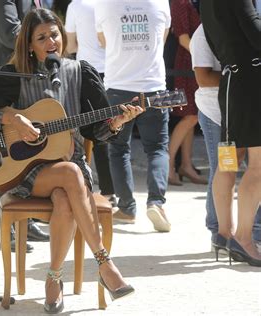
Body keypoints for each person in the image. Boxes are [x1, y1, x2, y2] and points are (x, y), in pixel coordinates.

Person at [0, 8, 140, 313]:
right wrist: (12, 117)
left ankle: (53, 280)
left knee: (65, 195)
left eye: (54, 34)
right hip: (30, 172)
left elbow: (98, 130)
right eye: (41, 37)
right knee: (68, 175)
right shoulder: (14, 74)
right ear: (29, 44)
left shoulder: (80, 72)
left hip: (73, 166)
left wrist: (117, 122)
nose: (51, 41)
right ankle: (105, 265)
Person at [0, 0, 50, 249]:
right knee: (2, 154)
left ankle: (23, 221)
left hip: (25, 76)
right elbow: (11, 34)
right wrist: (47, 38)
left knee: (25, 150)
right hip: (5, 79)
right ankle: (2, 227)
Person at [95, 0, 172, 232]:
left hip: (119, 85)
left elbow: (102, 41)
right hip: (154, 85)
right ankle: (156, 202)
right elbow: (163, 38)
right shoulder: (160, 2)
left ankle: (127, 207)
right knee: (157, 147)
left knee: (118, 148)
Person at [189, 20, 261, 257]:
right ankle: (219, 232)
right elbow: (202, 78)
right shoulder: (203, 33)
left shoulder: (238, 28)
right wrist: (244, 78)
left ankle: (231, 235)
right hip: (215, 115)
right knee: (223, 170)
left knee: (234, 169)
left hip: (240, 115)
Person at [65, 0, 117, 207]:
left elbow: (70, 45)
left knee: (86, 130)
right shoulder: (112, 4)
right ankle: (110, 191)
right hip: (111, 70)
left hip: (85, 72)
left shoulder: (76, 6)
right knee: (108, 128)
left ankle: (84, 187)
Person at [167, 0, 206, 186]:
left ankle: (186, 165)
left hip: (191, 64)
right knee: (191, 116)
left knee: (192, 116)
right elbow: (183, 39)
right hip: (186, 65)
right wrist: (204, 59)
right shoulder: (179, 2)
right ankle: (168, 166)